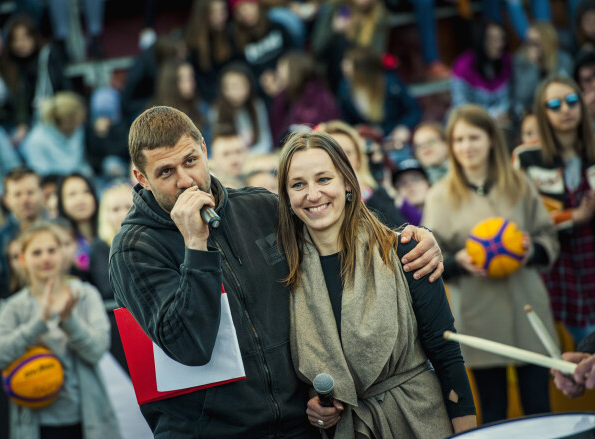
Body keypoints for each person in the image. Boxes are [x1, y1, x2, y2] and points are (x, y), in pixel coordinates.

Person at [109, 106, 445, 438]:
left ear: (204, 150)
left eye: (190, 161)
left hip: (298, 426)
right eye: (165, 172)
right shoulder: (134, 247)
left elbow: (337, 237)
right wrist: (195, 245)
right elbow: (190, 347)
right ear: (141, 178)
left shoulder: (260, 207)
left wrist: (409, 238)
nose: (185, 180)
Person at [277, 130, 476, 436]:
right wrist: (317, 408)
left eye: (324, 179)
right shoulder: (285, 273)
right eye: (298, 185)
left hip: (420, 421)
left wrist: (467, 435)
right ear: (287, 197)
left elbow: (447, 354)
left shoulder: (405, 251)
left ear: (347, 183)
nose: (312, 194)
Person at [424, 104, 560, 423]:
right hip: (478, 315)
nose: (466, 147)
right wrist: (456, 261)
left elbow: (548, 235)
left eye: (474, 137)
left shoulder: (519, 183)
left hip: (527, 308)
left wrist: (532, 250)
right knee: (494, 411)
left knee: (539, 407)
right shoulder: (439, 196)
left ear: (490, 140)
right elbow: (432, 257)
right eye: (458, 140)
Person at [0, 222, 121, 439]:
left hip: (88, 419)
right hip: (38, 424)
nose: (46, 258)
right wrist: (39, 322)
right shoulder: (12, 307)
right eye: (37, 252)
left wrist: (69, 322)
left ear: (63, 253)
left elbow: (97, 350)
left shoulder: (86, 295)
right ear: (22, 259)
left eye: (52, 250)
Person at [513, 76, 595, 345]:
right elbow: (522, 218)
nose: (565, 109)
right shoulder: (527, 158)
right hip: (560, 268)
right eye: (554, 104)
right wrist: (575, 217)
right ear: (542, 112)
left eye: (572, 101)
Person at [315, 120, 406, 229]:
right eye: (333, 152)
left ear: (358, 159)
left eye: (347, 153)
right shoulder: (313, 196)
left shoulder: (377, 194)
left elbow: (402, 232)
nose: (340, 159)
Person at [0, 167, 46, 296]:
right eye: (17, 194)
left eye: (30, 192)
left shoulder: (62, 228)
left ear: (42, 193)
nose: (25, 200)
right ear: (6, 200)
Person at [451, 20, 512, 122]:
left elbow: (513, 97)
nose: (499, 44)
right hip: (474, 122)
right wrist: (492, 115)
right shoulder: (463, 65)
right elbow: (461, 105)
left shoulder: (506, 61)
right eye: (493, 39)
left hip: (504, 121)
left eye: (501, 39)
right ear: (481, 40)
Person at [21, 91, 92, 177]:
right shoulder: (36, 140)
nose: (80, 124)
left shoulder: (78, 132)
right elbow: (41, 174)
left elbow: (82, 163)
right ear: (66, 121)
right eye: (78, 121)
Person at [512, 22, 573, 119]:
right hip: (531, 112)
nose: (532, 47)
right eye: (529, 42)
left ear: (547, 42)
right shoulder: (521, 59)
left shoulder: (563, 59)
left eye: (536, 43)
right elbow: (522, 96)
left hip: (557, 108)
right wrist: (533, 66)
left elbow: (563, 88)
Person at [211, 62, 273, 153]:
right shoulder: (216, 111)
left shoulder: (257, 106)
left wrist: (249, 157)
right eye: (232, 86)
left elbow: (265, 141)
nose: (237, 91)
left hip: (256, 159)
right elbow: (214, 147)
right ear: (223, 89)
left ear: (249, 86)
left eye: (242, 85)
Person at [90, 183, 133, 300]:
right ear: (106, 215)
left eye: (129, 207)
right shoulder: (99, 247)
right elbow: (109, 290)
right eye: (115, 209)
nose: (124, 214)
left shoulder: (153, 239)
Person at [56, 173, 99, 284]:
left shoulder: (108, 233)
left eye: (86, 192)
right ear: (61, 201)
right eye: (72, 194)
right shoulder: (59, 242)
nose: (80, 199)